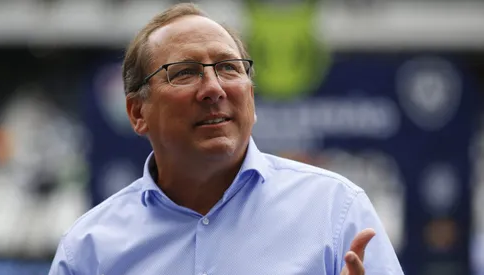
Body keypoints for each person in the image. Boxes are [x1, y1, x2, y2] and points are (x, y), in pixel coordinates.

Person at [49, 3, 404, 275]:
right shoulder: (88, 250)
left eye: (229, 68)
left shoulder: (336, 211)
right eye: (185, 72)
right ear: (137, 113)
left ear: (251, 96)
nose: (214, 89)